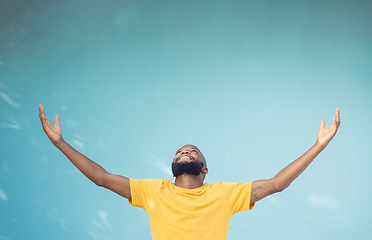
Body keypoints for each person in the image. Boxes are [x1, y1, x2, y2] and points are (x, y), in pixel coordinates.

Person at [39, 104, 341, 240]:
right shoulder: (152, 191)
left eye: (193, 151)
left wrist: (318, 146)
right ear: (173, 165)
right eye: (180, 151)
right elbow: (101, 178)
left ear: (204, 168)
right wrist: (60, 143)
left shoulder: (225, 194)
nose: (185, 151)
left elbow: (276, 184)